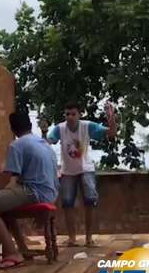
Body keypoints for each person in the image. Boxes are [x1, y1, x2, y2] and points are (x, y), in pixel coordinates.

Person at [0, 112, 59, 269]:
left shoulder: (17, 145)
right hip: (50, 193)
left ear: (12, 128)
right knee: (4, 204)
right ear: (30, 125)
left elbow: (6, 177)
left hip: (34, 192)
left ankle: (12, 253)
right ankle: (22, 248)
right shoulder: (43, 143)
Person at [47, 102, 117, 247]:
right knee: (67, 203)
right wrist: (43, 131)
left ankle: (89, 238)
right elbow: (49, 141)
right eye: (67, 114)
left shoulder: (87, 126)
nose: (70, 117)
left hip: (86, 169)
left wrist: (112, 119)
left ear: (79, 115)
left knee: (90, 201)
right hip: (67, 171)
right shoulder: (60, 128)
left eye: (73, 114)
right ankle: (72, 238)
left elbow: (111, 133)